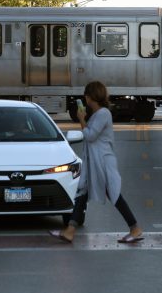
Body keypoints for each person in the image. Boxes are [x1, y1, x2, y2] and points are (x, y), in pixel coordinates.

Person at [49, 81, 143, 243]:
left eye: (86, 95)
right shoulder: (98, 114)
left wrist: (81, 119)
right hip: (93, 163)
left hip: (103, 163)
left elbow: (90, 135)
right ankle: (70, 231)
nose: (85, 99)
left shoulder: (103, 113)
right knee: (82, 194)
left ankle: (135, 228)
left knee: (113, 194)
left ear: (91, 97)